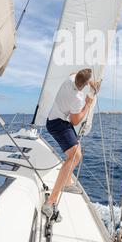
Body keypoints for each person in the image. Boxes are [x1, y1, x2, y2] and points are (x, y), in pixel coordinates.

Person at [42, 68, 100, 221]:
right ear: (85, 84)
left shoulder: (70, 78)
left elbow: (73, 73)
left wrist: (90, 83)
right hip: (57, 124)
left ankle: (67, 183)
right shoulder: (78, 98)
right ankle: (51, 201)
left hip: (56, 119)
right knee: (74, 156)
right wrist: (87, 105)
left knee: (77, 152)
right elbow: (75, 121)